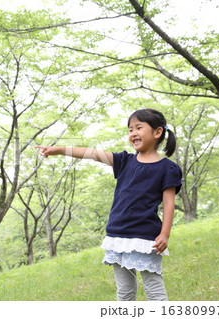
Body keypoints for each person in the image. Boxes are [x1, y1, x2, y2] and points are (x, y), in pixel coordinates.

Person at [35, 108, 182, 301]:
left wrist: (165, 233)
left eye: (139, 128)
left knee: (154, 290)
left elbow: (168, 203)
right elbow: (92, 154)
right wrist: (60, 150)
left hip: (146, 239)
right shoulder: (124, 161)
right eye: (130, 130)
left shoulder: (168, 168)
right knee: (125, 292)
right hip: (117, 235)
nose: (133, 133)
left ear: (157, 132)